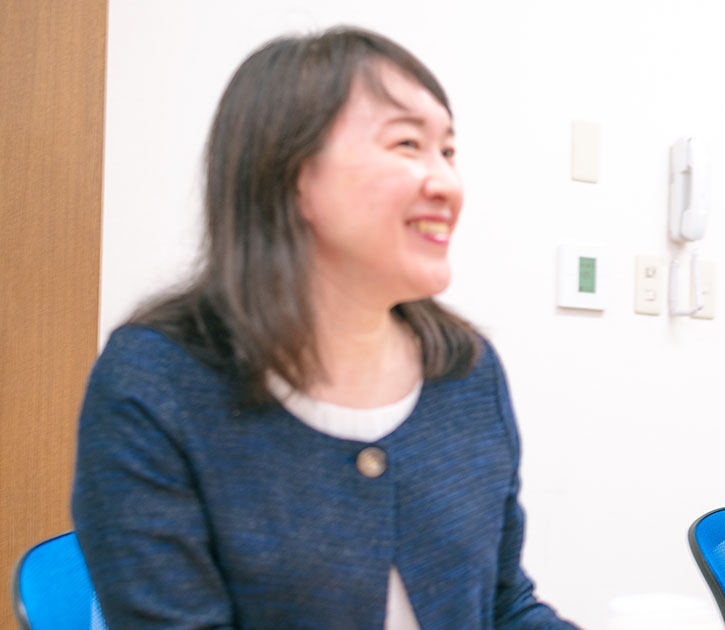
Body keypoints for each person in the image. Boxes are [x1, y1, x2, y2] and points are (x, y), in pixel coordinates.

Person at [72, 27, 577, 630]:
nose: (447, 183)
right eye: (407, 144)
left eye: (447, 151)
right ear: (290, 176)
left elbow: (504, 606)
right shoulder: (156, 386)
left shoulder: (465, 371)